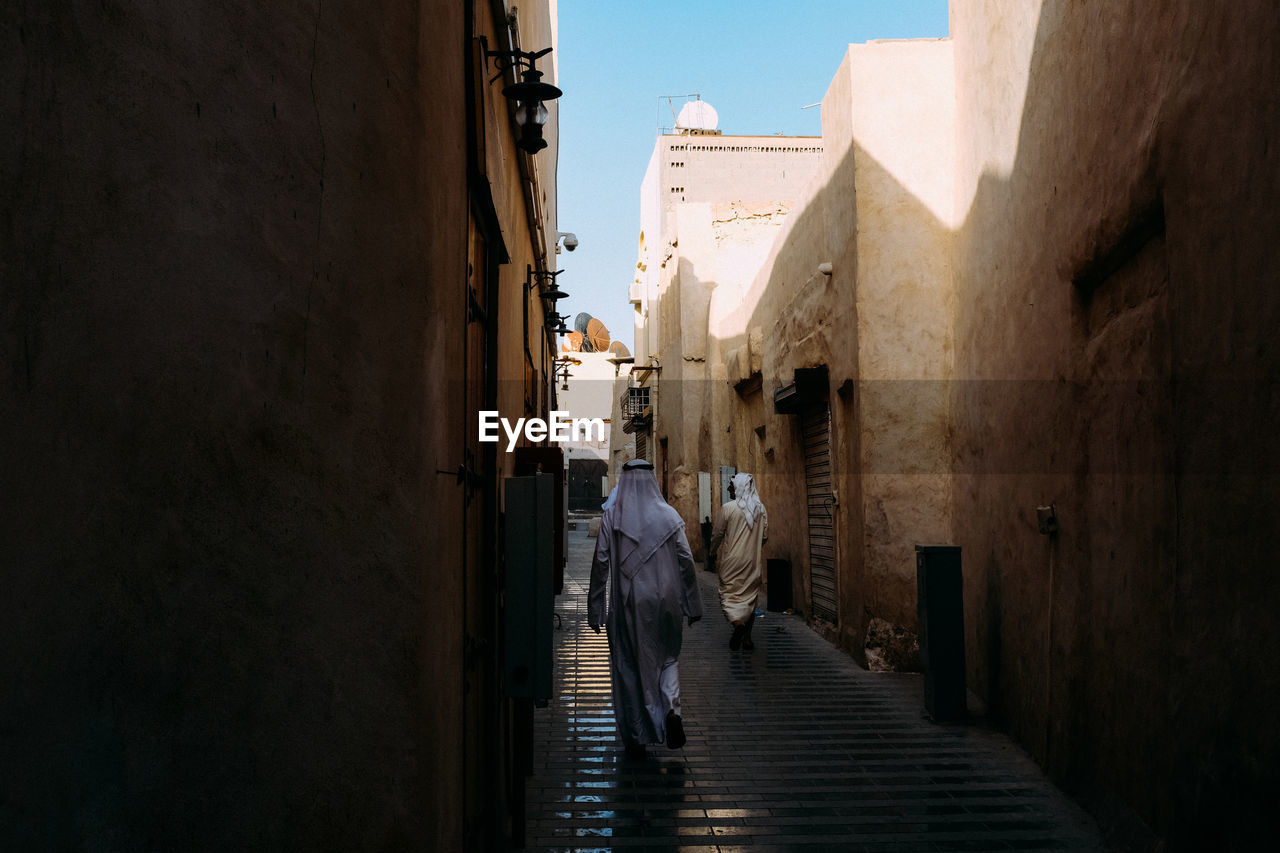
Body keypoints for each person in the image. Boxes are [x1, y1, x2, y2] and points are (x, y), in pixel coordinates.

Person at [589, 459, 702, 759]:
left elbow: (601, 563)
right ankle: (671, 711)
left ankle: (638, 734)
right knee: (667, 659)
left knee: (629, 664)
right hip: (667, 600)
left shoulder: (613, 516)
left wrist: (595, 608)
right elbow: (686, 561)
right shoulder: (669, 516)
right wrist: (693, 604)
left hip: (630, 603)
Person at [709, 472, 768, 650]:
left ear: (739, 487)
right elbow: (765, 536)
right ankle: (747, 639)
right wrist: (753, 546)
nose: (729, 488)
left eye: (731, 485)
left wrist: (712, 552)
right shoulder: (760, 508)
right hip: (752, 561)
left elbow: (717, 534)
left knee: (728, 595)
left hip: (731, 561)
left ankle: (737, 625)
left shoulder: (728, 508)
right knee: (750, 598)